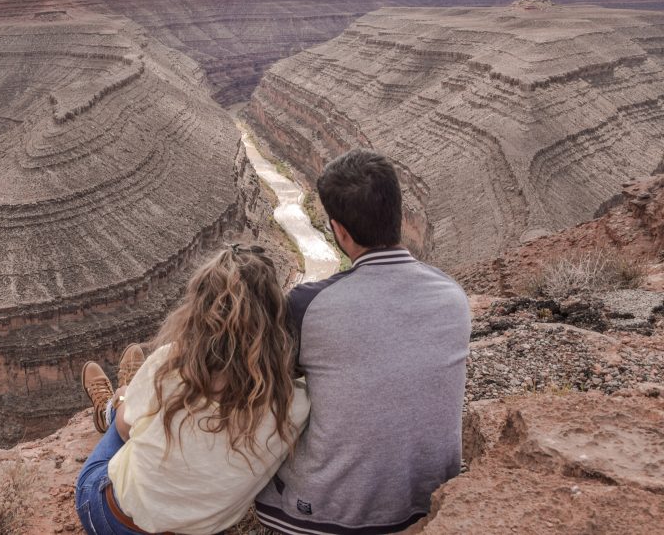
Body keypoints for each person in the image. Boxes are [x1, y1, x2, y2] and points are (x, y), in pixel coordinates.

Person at [255, 149, 472, 534]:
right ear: (400, 215)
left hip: (327, 514)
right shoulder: (454, 296)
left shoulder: (307, 305)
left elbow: (266, 382)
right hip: (428, 501)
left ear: (339, 231)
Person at [74, 245, 311, 535]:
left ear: (198, 311)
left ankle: (110, 405)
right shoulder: (295, 400)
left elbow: (126, 432)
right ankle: (126, 394)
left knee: (123, 419)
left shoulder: (170, 364)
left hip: (111, 521)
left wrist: (127, 404)